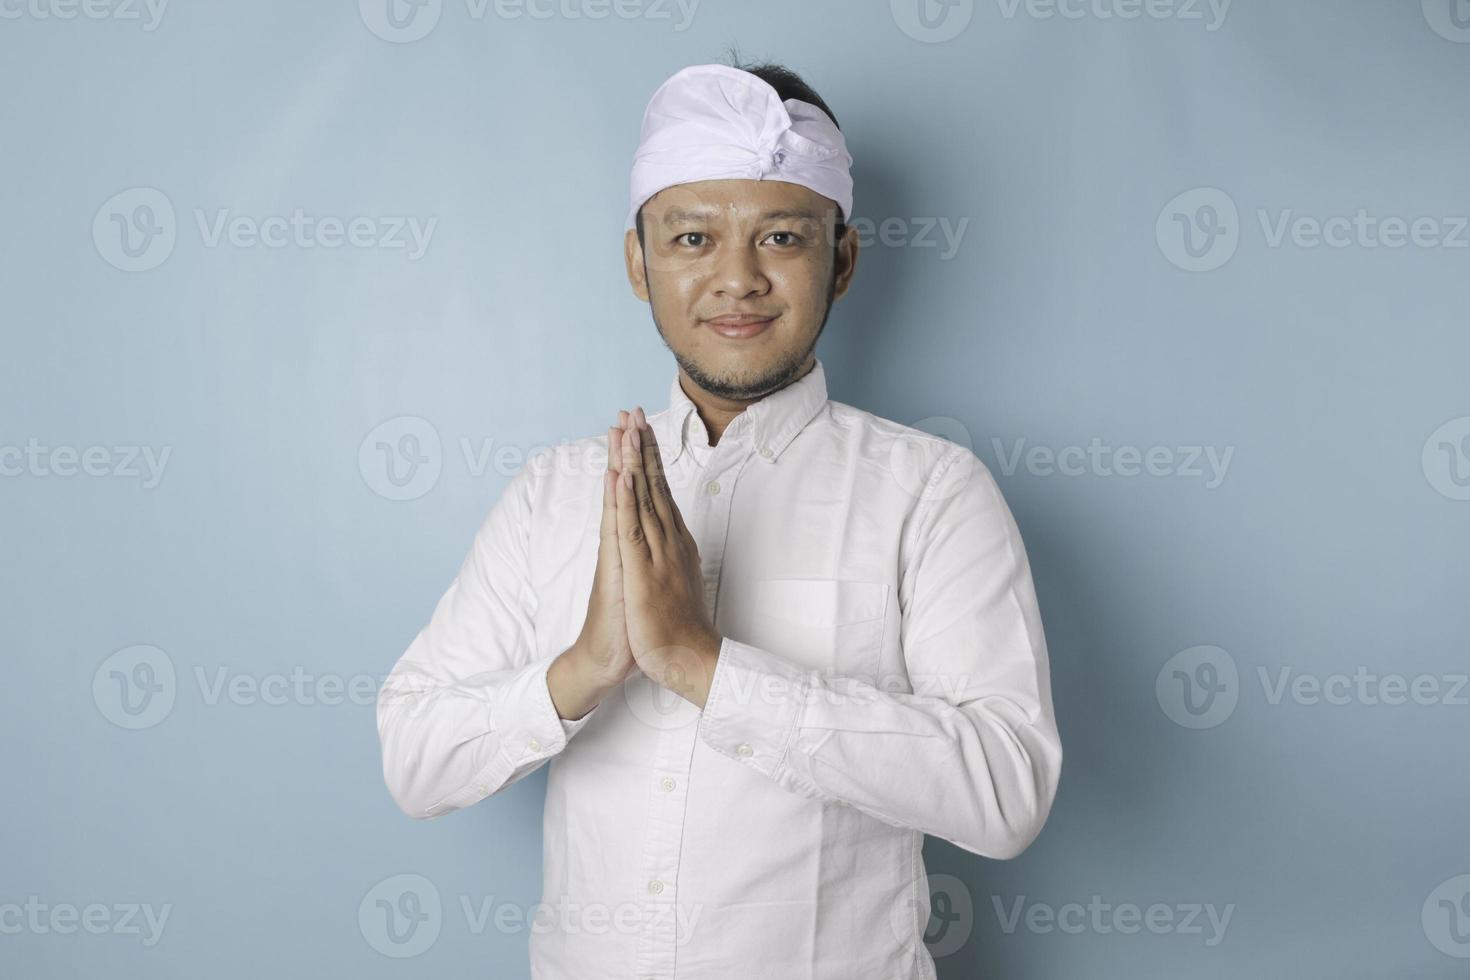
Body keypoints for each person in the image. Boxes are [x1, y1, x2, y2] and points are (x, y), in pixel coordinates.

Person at [376, 59, 1062, 979]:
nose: (736, 279)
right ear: (638, 262)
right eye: (692, 238)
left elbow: (1006, 790)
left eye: (781, 236)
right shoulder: (554, 492)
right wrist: (585, 669)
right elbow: (416, 762)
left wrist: (705, 666)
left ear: (843, 260)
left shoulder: (931, 492)